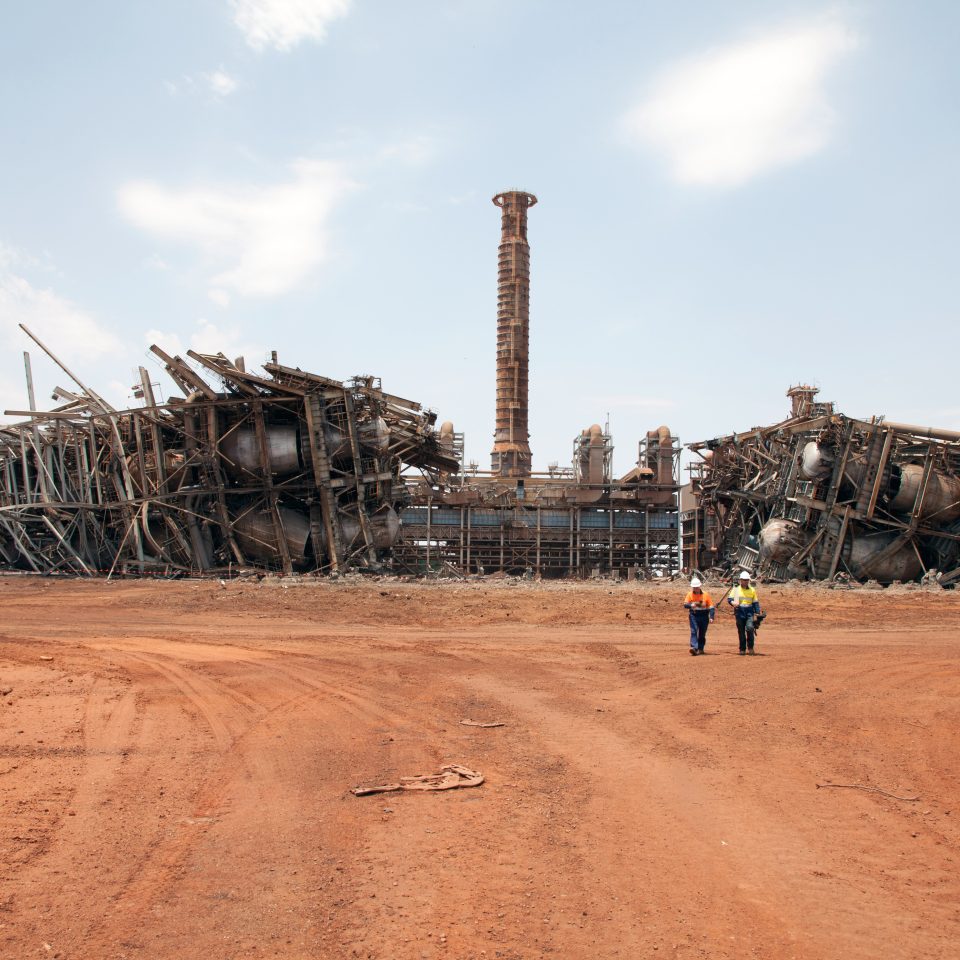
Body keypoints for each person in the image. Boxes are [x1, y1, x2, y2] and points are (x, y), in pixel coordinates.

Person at [728, 570, 762, 655]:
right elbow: (730, 599)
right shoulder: (736, 589)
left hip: (749, 612)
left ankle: (750, 648)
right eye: (744, 580)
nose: (745, 581)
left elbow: (755, 602)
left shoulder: (752, 590)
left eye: (747, 580)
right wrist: (733, 603)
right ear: (740, 580)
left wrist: (757, 613)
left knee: (750, 628)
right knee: (741, 631)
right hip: (739, 612)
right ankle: (742, 649)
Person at [683, 577, 715, 656]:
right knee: (694, 631)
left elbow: (711, 607)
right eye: (694, 587)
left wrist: (711, 617)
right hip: (694, 615)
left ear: (699, 586)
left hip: (704, 616)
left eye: (697, 587)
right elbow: (685, 604)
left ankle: (701, 648)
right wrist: (691, 605)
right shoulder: (690, 594)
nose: (696, 589)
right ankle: (694, 647)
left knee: (702, 633)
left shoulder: (706, 595)